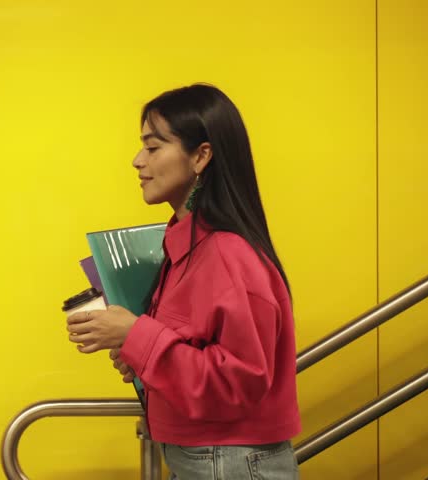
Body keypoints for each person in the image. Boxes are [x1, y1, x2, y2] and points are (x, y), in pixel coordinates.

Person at [66, 84, 301, 479]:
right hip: (207, 458)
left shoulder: (226, 253)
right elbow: (196, 351)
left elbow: (238, 383)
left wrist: (138, 336)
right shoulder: (190, 247)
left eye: (154, 147)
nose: (138, 161)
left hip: (228, 462)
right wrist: (139, 352)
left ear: (201, 155)